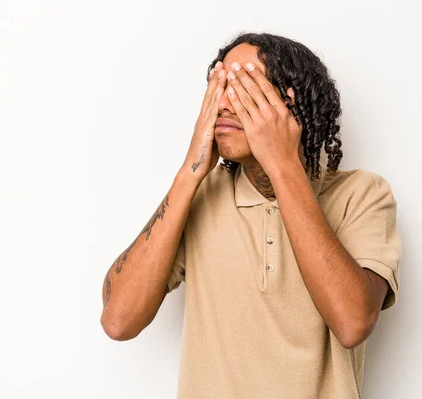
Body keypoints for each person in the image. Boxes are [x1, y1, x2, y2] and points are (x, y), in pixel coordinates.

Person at [100, 32, 402, 398]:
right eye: (219, 86)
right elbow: (118, 320)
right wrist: (190, 173)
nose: (224, 105)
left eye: (244, 88)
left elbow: (353, 323)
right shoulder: (202, 194)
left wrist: (283, 165)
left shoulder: (363, 194)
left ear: (292, 105)